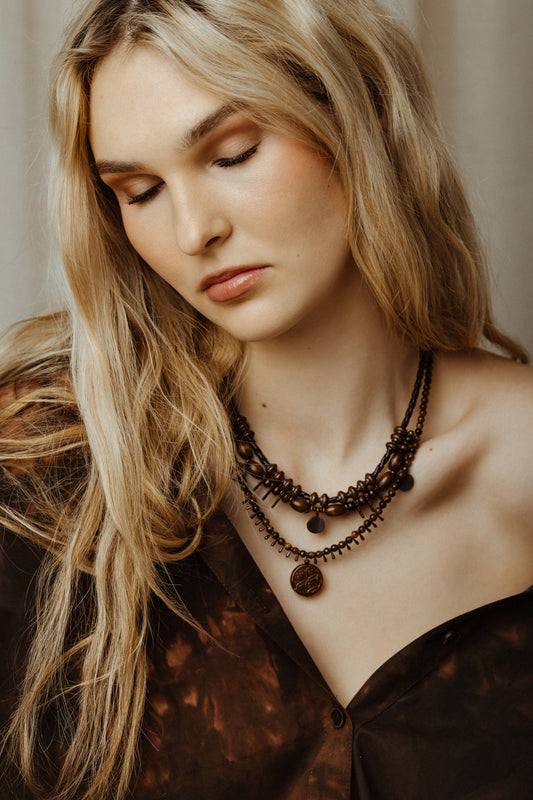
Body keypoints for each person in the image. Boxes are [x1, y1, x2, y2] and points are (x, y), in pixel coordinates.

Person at [1, 0, 532, 798]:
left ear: (360, 117)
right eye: (139, 191)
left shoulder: (521, 458)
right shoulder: (46, 464)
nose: (192, 230)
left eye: (232, 153)